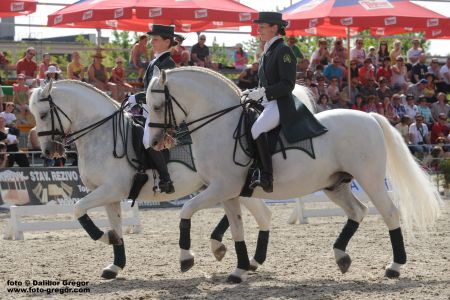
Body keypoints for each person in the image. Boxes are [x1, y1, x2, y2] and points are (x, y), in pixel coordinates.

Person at [245, 11, 311, 193]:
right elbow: (264, 81)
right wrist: (252, 92)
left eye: (262, 27)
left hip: (280, 103)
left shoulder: (283, 51)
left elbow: (287, 84)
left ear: (275, 28)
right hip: (266, 101)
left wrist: (263, 92)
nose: (258, 30)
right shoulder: (268, 51)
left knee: (257, 129)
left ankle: (266, 175)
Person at [127, 24, 179, 194]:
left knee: (147, 140)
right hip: (150, 107)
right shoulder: (155, 61)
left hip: (161, 112)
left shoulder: (168, 62)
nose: (151, 42)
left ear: (167, 41)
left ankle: (166, 179)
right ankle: (141, 169)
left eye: (155, 39)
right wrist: (136, 99)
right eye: (151, 39)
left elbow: (161, 92)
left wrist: (139, 97)